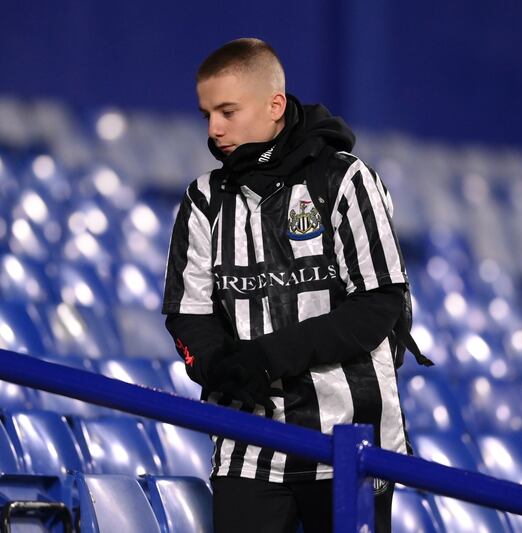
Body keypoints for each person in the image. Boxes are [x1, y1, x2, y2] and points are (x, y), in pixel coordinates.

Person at [162, 37, 430, 533]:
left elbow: (378, 305)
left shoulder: (347, 180)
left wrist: (264, 359)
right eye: (207, 115)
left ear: (275, 105)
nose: (215, 129)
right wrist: (217, 369)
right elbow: (187, 313)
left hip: (350, 446)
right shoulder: (202, 200)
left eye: (227, 111)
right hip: (246, 447)